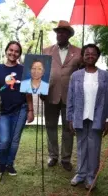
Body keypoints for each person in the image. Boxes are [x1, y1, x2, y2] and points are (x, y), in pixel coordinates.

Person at [67, 44, 108, 189]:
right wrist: (70, 117)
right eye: (87, 53)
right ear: (83, 56)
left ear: (98, 56)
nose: (90, 56)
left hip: (97, 116)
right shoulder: (76, 76)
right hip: (80, 115)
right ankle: (80, 174)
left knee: (94, 147)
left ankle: (90, 177)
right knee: (81, 145)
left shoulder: (106, 76)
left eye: (93, 53)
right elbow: (71, 97)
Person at [0, 41, 34, 176]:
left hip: (20, 109)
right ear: (6, 50)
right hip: (1, 110)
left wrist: (31, 110)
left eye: (16, 51)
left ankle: (10, 164)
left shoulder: (24, 70)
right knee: (3, 140)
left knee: (14, 140)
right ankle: (1, 163)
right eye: (11, 50)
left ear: (19, 54)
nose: (13, 53)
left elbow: (28, 92)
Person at [42, 20, 81, 171]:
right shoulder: (46, 51)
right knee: (50, 126)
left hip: (70, 97)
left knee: (68, 128)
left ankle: (66, 158)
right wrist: (40, 90)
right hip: (49, 95)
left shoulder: (78, 52)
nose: (60, 34)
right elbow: (40, 72)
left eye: (64, 32)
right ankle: (53, 156)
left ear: (69, 35)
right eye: (58, 31)